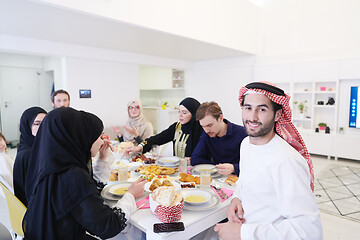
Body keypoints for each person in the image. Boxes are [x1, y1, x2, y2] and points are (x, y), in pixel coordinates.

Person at [214, 82, 322, 239]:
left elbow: (308, 230)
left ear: (277, 115)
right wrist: (237, 197)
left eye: (262, 109)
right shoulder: (246, 144)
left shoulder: (287, 161)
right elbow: (244, 180)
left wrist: (244, 233)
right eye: (248, 108)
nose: (252, 117)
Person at [23, 107, 146, 239]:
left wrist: (103, 160)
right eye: (99, 136)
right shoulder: (71, 174)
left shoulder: (50, 164)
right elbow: (108, 226)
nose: (102, 141)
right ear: (80, 137)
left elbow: (83, 197)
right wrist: (131, 195)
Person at [127, 97, 202, 162]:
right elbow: (156, 139)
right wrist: (139, 147)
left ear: (194, 114)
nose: (180, 115)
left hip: (198, 171)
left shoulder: (202, 130)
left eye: (184, 113)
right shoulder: (177, 127)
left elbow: (207, 156)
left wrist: (194, 160)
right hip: (178, 169)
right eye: (179, 111)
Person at [191, 101, 247, 176]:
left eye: (209, 125)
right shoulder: (207, 133)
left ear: (220, 118)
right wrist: (217, 167)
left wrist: (234, 168)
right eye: (203, 126)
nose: (206, 130)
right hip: (218, 179)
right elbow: (195, 159)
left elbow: (254, 166)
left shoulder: (243, 133)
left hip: (238, 179)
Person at [13, 107, 47, 206]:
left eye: (45, 123)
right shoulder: (28, 154)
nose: (42, 127)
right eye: (37, 123)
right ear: (27, 126)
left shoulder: (36, 147)